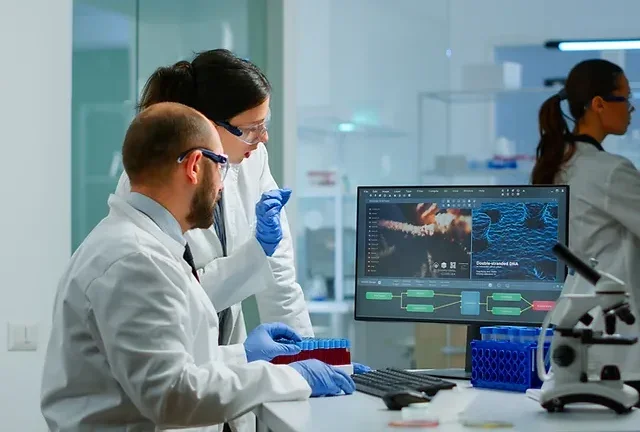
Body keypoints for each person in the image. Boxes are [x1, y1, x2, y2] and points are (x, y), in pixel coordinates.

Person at [40, 102, 355, 432]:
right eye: (221, 166)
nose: (221, 186)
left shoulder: (147, 246)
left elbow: (170, 361)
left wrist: (244, 356)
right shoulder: (134, 260)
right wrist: (288, 376)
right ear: (193, 166)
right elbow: (172, 394)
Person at [114, 49, 370, 374]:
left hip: (223, 367)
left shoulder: (252, 160)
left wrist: (306, 359)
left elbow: (279, 277)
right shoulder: (156, 182)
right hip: (181, 366)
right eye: (251, 128)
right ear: (204, 125)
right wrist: (254, 255)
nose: (262, 139)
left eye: (265, 124)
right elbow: (176, 295)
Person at [531, 58, 640, 395]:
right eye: (625, 98)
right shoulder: (609, 171)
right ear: (598, 104)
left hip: (574, 327)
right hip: (618, 340)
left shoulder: (559, 162)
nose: (632, 108)